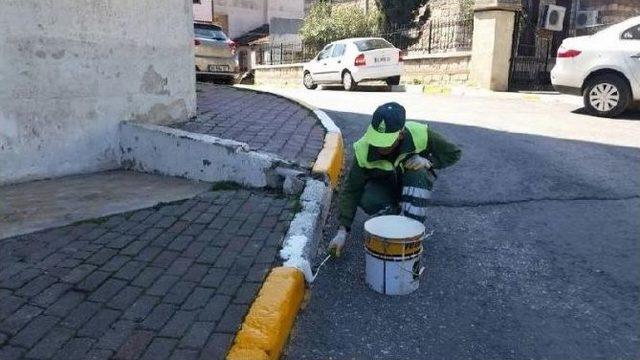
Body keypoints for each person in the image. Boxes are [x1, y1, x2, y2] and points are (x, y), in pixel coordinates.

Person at [329, 102, 461, 257]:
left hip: (411, 183)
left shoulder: (419, 133)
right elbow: (351, 189)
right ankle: (393, 220)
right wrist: (342, 231)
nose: (380, 146)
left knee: (418, 173)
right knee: (368, 198)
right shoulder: (363, 148)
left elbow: (454, 153)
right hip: (386, 188)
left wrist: (428, 162)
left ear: (401, 134)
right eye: (377, 139)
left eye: (385, 141)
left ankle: (412, 231)